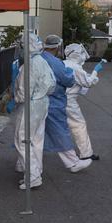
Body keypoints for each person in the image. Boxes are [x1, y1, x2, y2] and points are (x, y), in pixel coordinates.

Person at [41, 35, 92, 174]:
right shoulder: (56, 62)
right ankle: (76, 160)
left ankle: (25, 166)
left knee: (31, 135)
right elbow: (68, 80)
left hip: (33, 104)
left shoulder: (37, 59)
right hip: (53, 102)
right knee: (63, 131)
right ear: (57, 47)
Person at [14, 33, 55, 190]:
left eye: (22, 46)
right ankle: (35, 172)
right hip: (42, 102)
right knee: (36, 139)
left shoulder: (30, 65)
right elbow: (50, 84)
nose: (20, 48)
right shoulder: (41, 61)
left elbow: (24, 90)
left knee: (22, 139)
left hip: (31, 105)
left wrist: (16, 99)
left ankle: (32, 176)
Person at [63, 43, 103, 161]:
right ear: (76, 54)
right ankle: (85, 154)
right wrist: (96, 71)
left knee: (49, 127)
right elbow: (88, 82)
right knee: (78, 125)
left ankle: (29, 155)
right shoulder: (76, 68)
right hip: (69, 102)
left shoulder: (64, 64)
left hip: (58, 99)